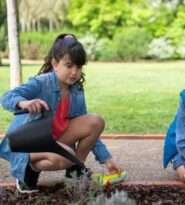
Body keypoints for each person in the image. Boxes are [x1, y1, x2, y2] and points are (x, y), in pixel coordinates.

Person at [0, 33, 122, 193]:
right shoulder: (41, 83)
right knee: (65, 156)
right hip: (27, 142)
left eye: (78, 67)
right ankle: (28, 170)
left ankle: (76, 170)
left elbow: (87, 127)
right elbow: (6, 97)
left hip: (55, 138)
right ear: (55, 64)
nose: (74, 72)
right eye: (69, 65)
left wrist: (106, 159)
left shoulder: (77, 90)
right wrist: (24, 102)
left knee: (95, 121)